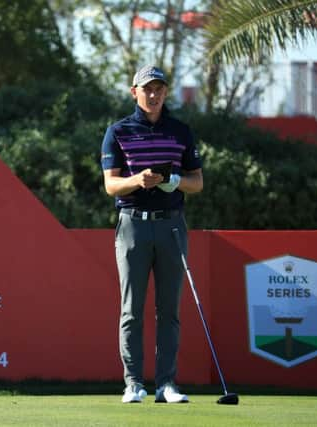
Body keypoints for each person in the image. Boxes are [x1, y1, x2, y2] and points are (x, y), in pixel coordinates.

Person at [100, 65, 203, 403]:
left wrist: (173, 181)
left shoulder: (181, 131)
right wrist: (137, 181)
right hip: (132, 224)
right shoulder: (118, 131)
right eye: (147, 89)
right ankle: (133, 384)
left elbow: (197, 182)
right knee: (132, 309)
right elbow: (111, 184)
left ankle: (166, 384)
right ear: (135, 92)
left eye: (159, 88)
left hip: (172, 223)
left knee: (169, 309)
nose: (154, 94)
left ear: (165, 92)